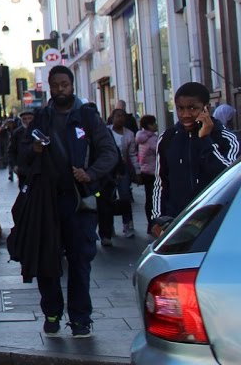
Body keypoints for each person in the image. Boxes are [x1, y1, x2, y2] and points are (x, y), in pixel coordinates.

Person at [9, 65, 117, 339]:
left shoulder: (87, 117)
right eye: (55, 85)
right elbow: (21, 157)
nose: (60, 89)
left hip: (78, 202)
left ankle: (81, 319)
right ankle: (52, 313)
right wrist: (32, 151)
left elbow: (109, 153)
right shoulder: (41, 119)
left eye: (64, 85)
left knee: (80, 261)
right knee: (47, 260)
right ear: (49, 86)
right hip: (45, 202)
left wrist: (90, 174)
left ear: (72, 86)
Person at [150, 81, 241, 237]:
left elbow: (225, 176)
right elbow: (160, 183)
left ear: (206, 108)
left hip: (217, 223)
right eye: (180, 108)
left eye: (192, 108)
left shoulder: (226, 138)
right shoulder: (168, 138)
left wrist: (205, 138)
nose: (185, 114)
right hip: (176, 224)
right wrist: (157, 220)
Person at [98, 109, 137, 244]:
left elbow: (131, 154)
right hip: (107, 170)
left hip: (122, 168)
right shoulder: (106, 131)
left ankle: (127, 225)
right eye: (117, 116)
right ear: (112, 117)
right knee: (108, 198)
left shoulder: (129, 134)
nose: (120, 119)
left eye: (122, 116)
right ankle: (109, 227)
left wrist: (136, 171)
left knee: (125, 195)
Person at [134, 114, 160, 234]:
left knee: (149, 198)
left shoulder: (141, 137)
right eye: (154, 123)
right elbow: (160, 152)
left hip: (145, 171)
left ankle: (150, 224)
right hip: (154, 171)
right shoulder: (152, 139)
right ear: (149, 125)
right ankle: (154, 224)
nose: (156, 125)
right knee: (155, 199)